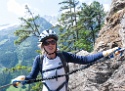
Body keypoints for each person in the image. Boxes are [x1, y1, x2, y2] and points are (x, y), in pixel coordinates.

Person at [12, 29, 121, 91]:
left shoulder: (63, 56)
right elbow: (32, 78)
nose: (50, 45)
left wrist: (107, 53)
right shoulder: (39, 60)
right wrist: (21, 80)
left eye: (52, 42)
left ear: (56, 43)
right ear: (42, 46)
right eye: (46, 43)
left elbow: (86, 60)